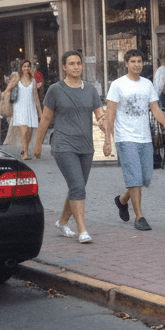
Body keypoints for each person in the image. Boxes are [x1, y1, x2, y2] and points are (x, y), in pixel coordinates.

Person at [33, 50, 106, 244]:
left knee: (77, 186)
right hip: (63, 144)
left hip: (86, 146)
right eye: (71, 63)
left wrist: (104, 124)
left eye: (78, 63)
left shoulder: (90, 89)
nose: (76, 67)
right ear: (64, 67)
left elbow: (100, 114)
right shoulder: (55, 90)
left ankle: (62, 222)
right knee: (77, 186)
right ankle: (82, 230)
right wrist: (37, 144)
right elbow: (46, 118)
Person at [104, 48, 165, 231]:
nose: (137, 65)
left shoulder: (147, 84)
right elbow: (110, 113)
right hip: (125, 137)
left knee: (143, 178)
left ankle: (122, 201)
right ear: (126, 64)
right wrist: (107, 140)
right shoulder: (118, 85)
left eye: (139, 61)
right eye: (133, 61)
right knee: (134, 177)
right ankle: (139, 217)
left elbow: (155, 108)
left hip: (144, 137)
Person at [7, 60, 42, 159]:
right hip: (19, 107)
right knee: (24, 130)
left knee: (30, 131)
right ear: (21, 68)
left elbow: (36, 97)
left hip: (31, 107)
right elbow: (8, 88)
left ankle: (24, 148)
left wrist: (40, 112)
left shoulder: (33, 80)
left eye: (28, 66)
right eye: (24, 66)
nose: (26, 68)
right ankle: (25, 154)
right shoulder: (17, 78)